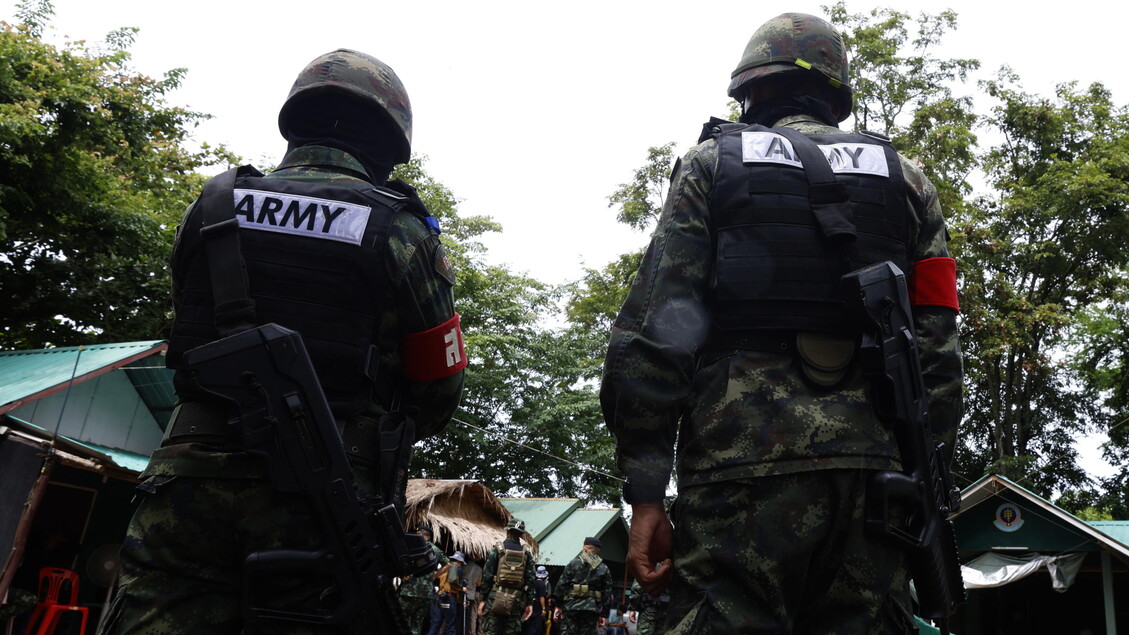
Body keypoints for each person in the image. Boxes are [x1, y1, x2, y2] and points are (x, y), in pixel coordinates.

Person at [600, 12, 963, 634]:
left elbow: (655, 334)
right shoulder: (908, 182)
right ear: (836, 96)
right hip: (873, 481)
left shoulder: (711, 166)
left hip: (737, 471)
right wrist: (921, 469)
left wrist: (646, 490)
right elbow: (938, 347)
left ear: (751, 92)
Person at [99, 49, 466, 635]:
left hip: (186, 478)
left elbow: (187, 326)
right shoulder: (398, 227)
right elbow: (439, 384)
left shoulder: (212, 205)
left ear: (296, 122)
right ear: (388, 140)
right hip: (320, 493)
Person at [479, 519, 535, 635]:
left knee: (490, 631)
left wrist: (482, 599)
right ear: (521, 535)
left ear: (507, 532)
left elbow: (487, 575)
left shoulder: (498, 549)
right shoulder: (526, 553)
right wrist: (529, 603)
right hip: (515, 600)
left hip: (494, 598)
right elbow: (530, 580)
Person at [551, 538, 612, 635]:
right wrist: (604, 614)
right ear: (598, 551)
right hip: (591, 609)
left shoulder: (573, 564)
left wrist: (558, 605)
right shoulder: (603, 568)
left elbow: (561, 585)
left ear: (585, 548)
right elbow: (607, 593)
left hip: (571, 607)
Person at [401, 525, 450, 635]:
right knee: (417, 623)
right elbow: (448, 563)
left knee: (400, 620)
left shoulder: (413, 547)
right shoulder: (436, 549)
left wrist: (403, 575)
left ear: (422, 535)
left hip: (410, 591)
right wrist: (435, 575)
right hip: (426, 593)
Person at [429, 551, 467, 635]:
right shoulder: (454, 566)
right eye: (461, 564)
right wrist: (461, 588)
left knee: (435, 624)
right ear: (459, 562)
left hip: (440, 596)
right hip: (449, 597)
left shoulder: (445, 567)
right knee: (450, 626)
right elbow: (452, 580)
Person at [522, 565, 552, 635]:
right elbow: (541, 597)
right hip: (538, 607)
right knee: (536, 626)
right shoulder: (542, 584)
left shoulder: (533, 582)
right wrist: (543, 609)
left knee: (529, 624)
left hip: (531, 605)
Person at [462, 556, 485, 635]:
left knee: (466, 615)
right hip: (474, 594)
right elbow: (478, 584)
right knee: (476, 615)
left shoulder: (463, 566)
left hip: (462, 593)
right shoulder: (479, 569)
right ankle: (477, 633)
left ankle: (470, 632)